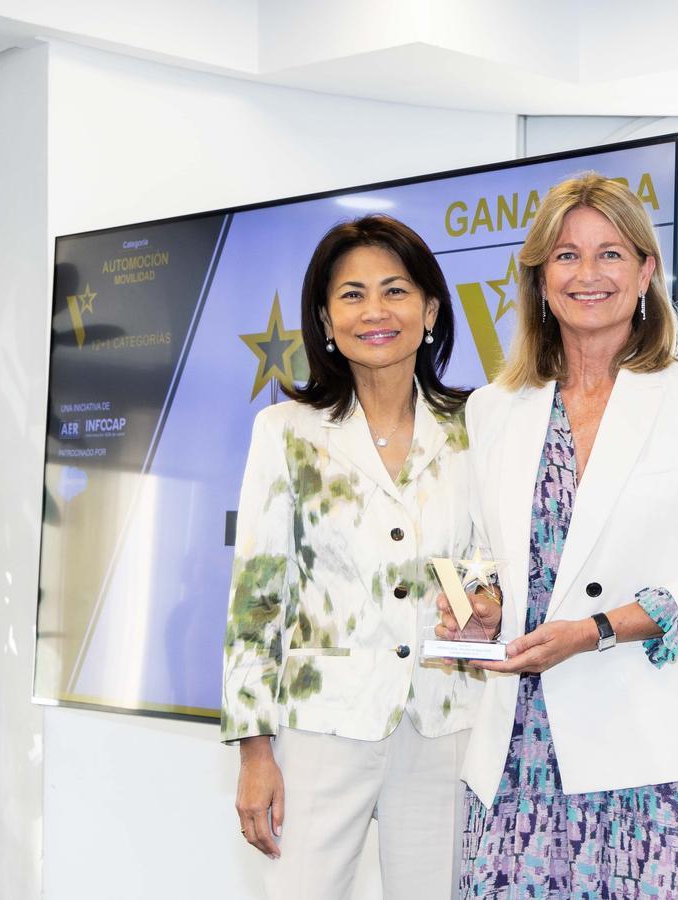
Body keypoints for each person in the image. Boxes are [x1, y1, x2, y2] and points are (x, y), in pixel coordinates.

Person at [440, 173, 678, 897]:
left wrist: (596, 630)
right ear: (540, 278)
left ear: (646, 271)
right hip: (518, 763)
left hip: (659, 766)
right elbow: (474, 554)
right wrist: (477, 608)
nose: (587, 273)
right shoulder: (493, 407)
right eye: (566, 255)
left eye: (610, 253)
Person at [221, 214, 480, 900]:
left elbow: (483, 565)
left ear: (430, 310)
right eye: (352, 294)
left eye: (395, 291)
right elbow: (257, 600)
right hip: (322, 725)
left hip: (443, 722)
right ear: (325, 320)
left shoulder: (475, 426)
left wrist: (482, 608)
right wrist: (254, 751)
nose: (375, 311)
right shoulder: (287, 431)